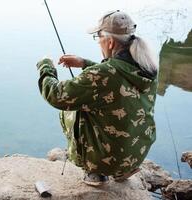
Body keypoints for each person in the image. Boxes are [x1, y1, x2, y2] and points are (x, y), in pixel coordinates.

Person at [36, 10, 158, 186]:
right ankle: (124, 168)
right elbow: (117, 77)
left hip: (108, 159)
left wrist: (45, 66)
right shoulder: (147, 64)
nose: (98, 41)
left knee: (73, 109)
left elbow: (58, 96)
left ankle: (96, 172)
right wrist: (84, 63)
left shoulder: (102, 74)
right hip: (137, 152)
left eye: (98, 36)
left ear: (109, 42)